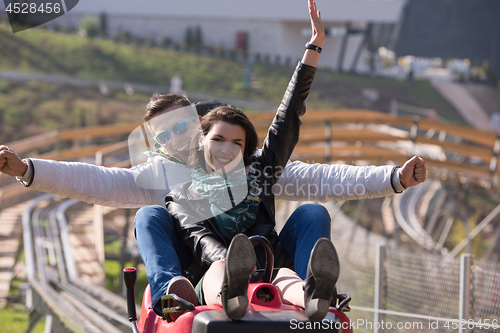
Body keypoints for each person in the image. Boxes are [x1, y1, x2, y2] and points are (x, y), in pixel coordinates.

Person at [0, 0, 427, 321]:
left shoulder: (261, 168)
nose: (175, 140)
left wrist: (393, 178)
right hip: (209, 266)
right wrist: (27, 170)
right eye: (162, 135)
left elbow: (317, 163)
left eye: (179, 128)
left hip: (264, 261)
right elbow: (96, 181)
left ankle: (311, 294)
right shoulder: (168, 178)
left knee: (313, 209)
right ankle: (176, 288)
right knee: (149, 215)